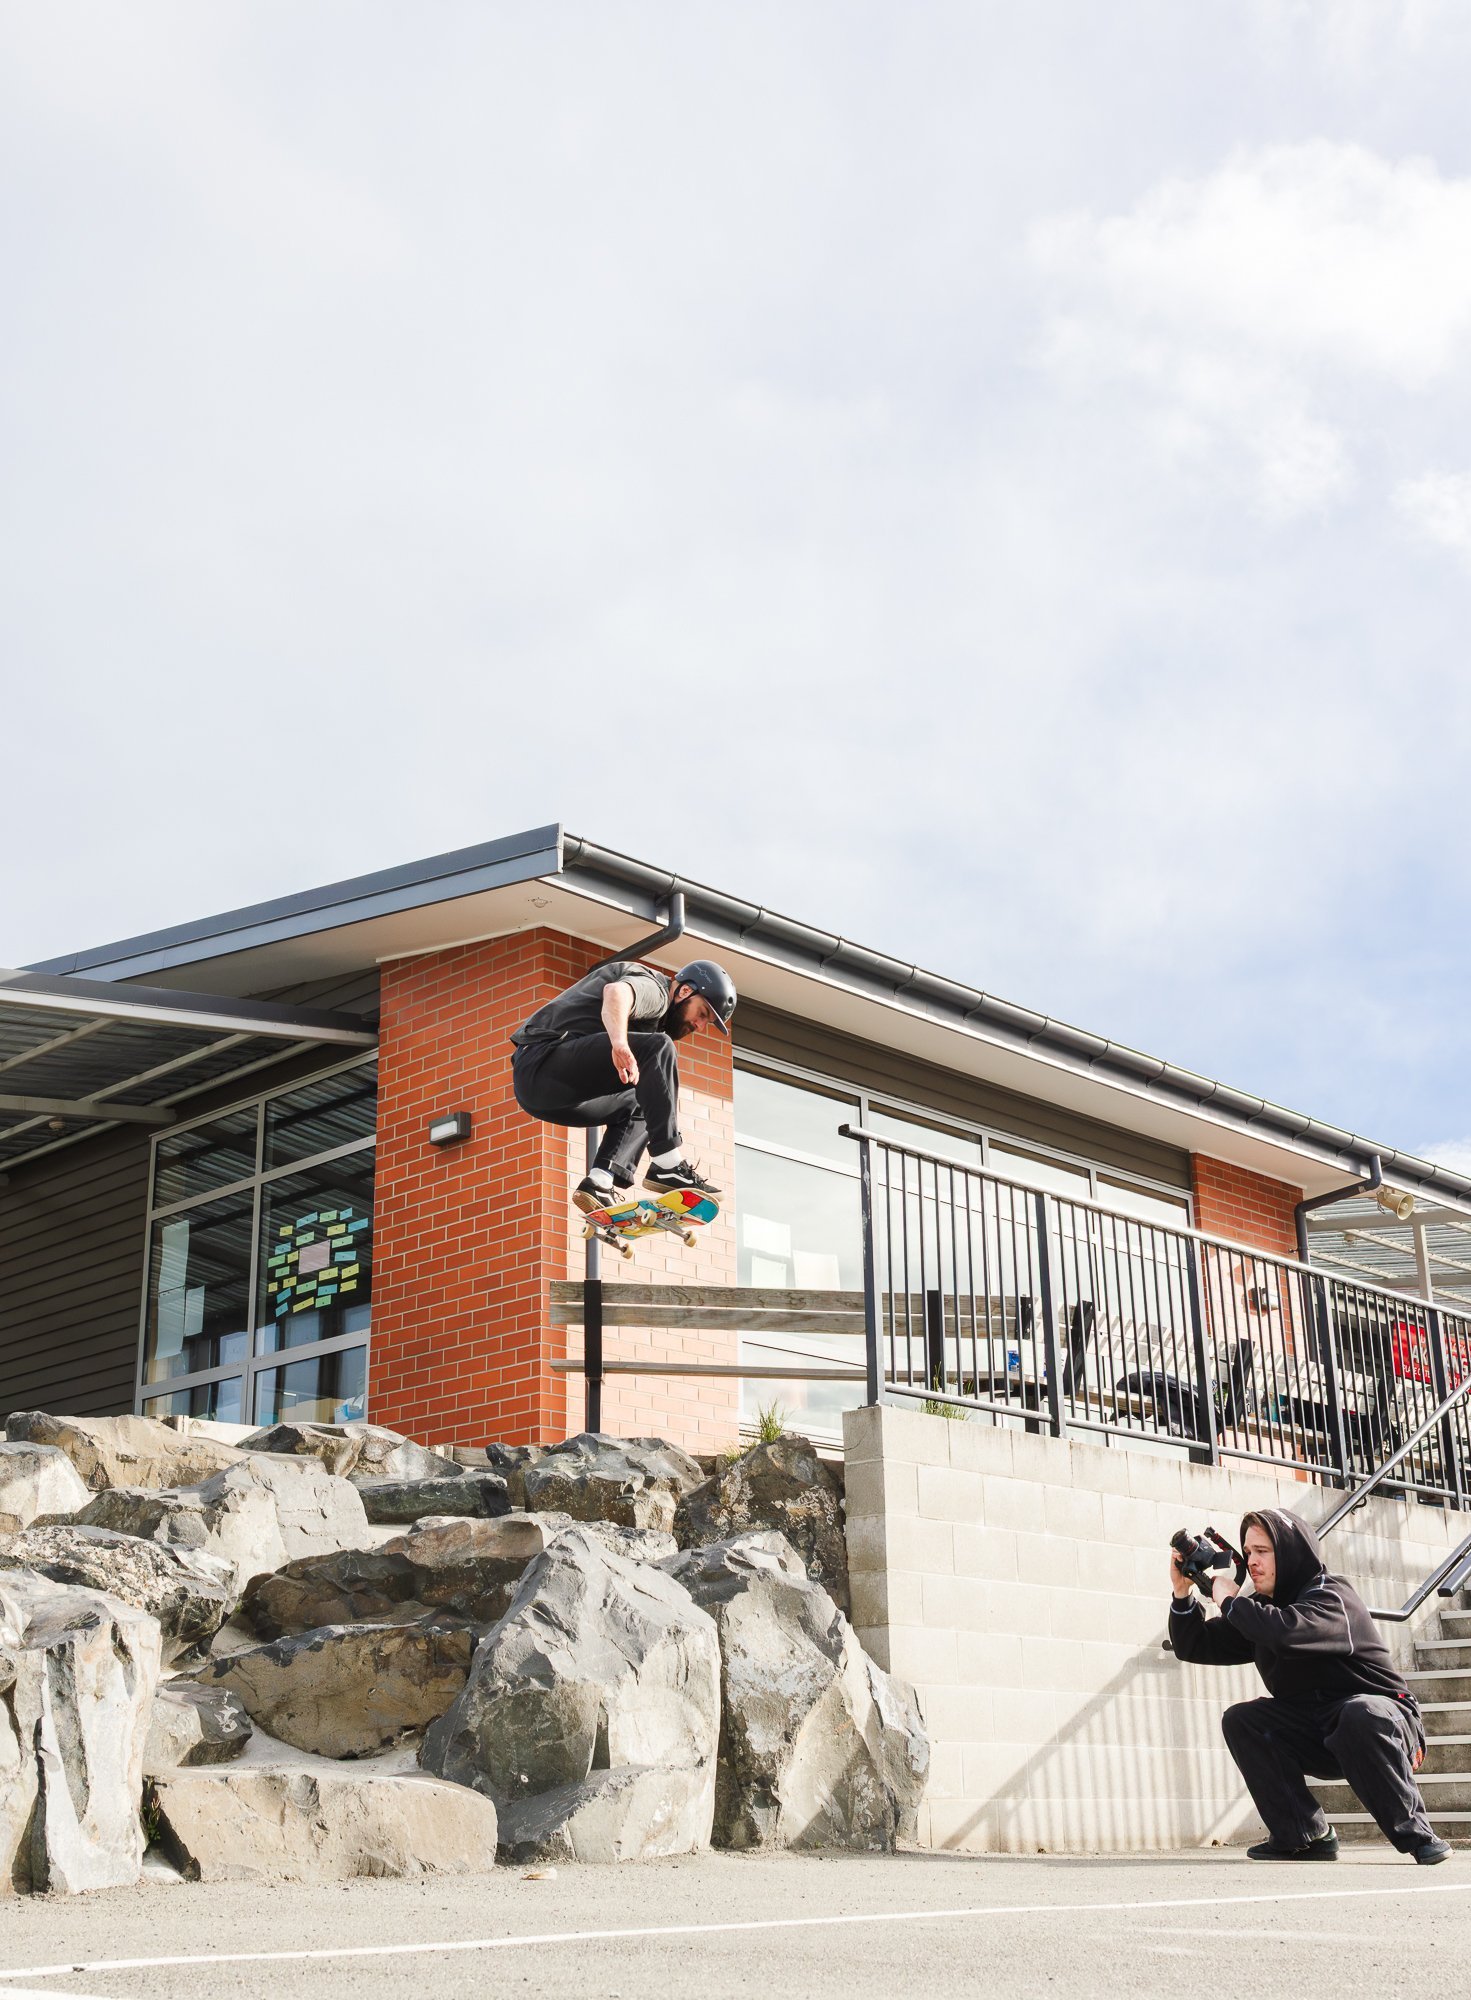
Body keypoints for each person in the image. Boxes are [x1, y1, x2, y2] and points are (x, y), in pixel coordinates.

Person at [1168, 1507, 1449, 1863]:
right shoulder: (1260, 1610)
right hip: (1319, 1731)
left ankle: (1419, 1836)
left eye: (1262, 1551)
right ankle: (1304, 1836)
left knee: (1358, 1712)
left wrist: (1229, 1601)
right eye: (1248, 1551)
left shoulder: (1332, 1596)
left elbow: (1286, 1632)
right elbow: (1195, 1646)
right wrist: (1182, 1595)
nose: (1252, 1562)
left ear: (1290, 1553)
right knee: (1243, 1720)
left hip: (1386, 1726)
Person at [511, 957, 737, 1211]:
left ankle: (599, 1182)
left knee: (643, 1098)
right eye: (702, 1013)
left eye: (707, 1022)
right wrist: (619, 1043)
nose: (700, 1025)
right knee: (660, 1047)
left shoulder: (661, 1016)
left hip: (547, 1096)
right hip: (542, 1061)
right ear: (685, 991)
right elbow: (616, 992)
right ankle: (668, 1163)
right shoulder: (656, 990)